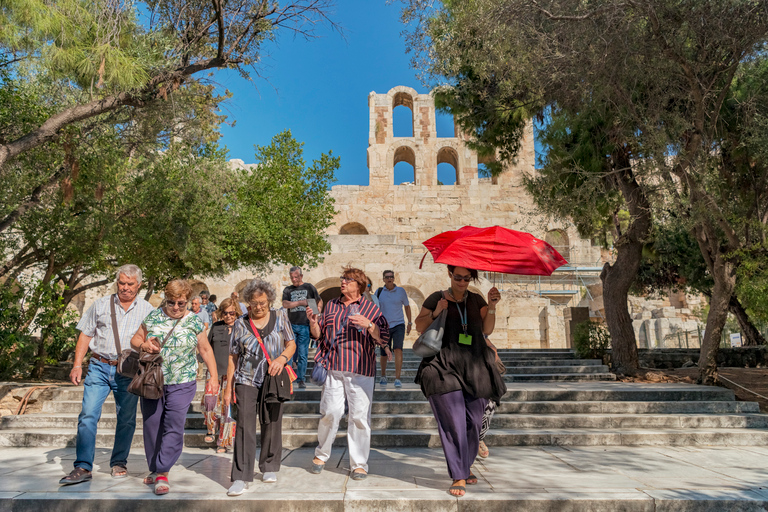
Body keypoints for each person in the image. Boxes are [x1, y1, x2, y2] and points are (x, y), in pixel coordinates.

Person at [414, 265, 504, 497]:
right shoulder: (437, 297)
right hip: (441, 366)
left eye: (466, 278)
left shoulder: (476, 300)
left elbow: (487, 330)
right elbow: (419, 326)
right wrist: (436, 312)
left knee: (474, 421)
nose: (462, 281)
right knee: (453, 422)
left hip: (474, 365)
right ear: (450, 275)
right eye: (458, 277)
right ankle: (459, 475)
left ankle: (464, 465)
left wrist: (492, 306)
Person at [59, 264, 154, 485]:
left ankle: (119, 461)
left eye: (130, 284)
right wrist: (76, 365)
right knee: (88, 415)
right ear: (117, 282)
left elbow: (150, 340)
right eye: (121, 283)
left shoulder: (147, 309)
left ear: (138, 285)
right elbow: (85, 334)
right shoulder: (100, 304)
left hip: (128, 369)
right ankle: (82, 466)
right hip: (99, 366)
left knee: (127, 419)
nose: (125, 287)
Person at [130, 279, 219, 495]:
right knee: (152, 424)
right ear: (165, 299)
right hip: (153, 379)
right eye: (171, 303)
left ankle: (162, 471)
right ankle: (155, 466)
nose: (176, 307)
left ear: (188, 301)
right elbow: (134, 340)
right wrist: (144, 345)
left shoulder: (194, 321)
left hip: (183, 380)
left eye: (181, 303)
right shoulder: (153, 316)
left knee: (174, 423)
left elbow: (205, 350)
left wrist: (213, 377)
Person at [307, 267, 390, 480]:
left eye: (348, 279)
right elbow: (319, 335)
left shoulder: (371, 309)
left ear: (359, 285)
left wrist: (369, 325)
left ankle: (359, 464)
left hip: (361, 371)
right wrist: (314, 323)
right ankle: (322, 453)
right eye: (342, 278)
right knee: (330, 412)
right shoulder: (332, 306)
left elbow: (383, 339)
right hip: (334, 368)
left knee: (360, 417)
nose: (343, 282)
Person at [224, 278, 296, 495]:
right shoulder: (240, 324)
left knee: (272, 421)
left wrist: (282, 359)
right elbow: (232, 357)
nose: (258, 307)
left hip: (274, 377)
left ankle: (269, 465)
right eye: (254, 303)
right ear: (248, 302)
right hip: (246, 379)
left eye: (262, 302)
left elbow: (291, 343)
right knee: (245, 425)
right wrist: (228, 388)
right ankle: (241, 476)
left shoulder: (281, 317)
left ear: (269, 300)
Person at [203, 297, 238, 452]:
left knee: (227, 407)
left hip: (232, 374)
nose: (228, 316)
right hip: (214, 372)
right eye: (225, 313)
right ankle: (211, 427)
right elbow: (207, 348)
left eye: (232, 313)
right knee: (209, 403)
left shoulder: (242, 327)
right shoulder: (216, 327)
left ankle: (224, 442)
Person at [282, 266, 322, 389]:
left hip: (304, 325)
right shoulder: (288, 290)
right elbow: (285, 304)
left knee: (303, 354)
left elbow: (318, 300)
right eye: (292, 277)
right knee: (289, 353)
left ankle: (301, 379)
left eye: (296, 277)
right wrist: (300, 302)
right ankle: (288, 378)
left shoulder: (309, 287)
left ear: (301, 276)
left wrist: (318, 310)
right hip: (291, 325)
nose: (294, 279)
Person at [375, 270, 412, 388]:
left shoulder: (401, 291)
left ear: (394, 278)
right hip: (384, 326)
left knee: (398, 349)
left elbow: (407, 306)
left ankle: (397, 378)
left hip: (399, 324)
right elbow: (374, 308)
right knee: (384, 353)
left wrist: (410, 322)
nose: (389, 279)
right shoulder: (379, 292)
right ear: (383, 279)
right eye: (387, 277)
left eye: (391, 277)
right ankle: (383, 375)